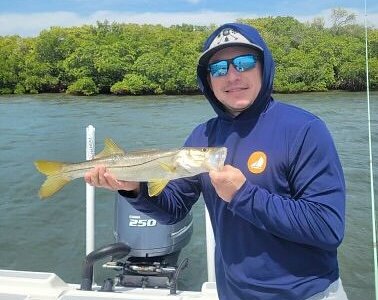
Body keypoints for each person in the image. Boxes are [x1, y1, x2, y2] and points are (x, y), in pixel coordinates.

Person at [84, 23, 348, 300]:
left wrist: (243, 196)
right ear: (207, 80)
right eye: (219, 68)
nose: (232, 76)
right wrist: (134, 190)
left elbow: (327, 227)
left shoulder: (304, 129)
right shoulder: (203, 135)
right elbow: (173, 210)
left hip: (307, 294)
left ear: (264, 67)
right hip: (232, 293)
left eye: (244, 63)